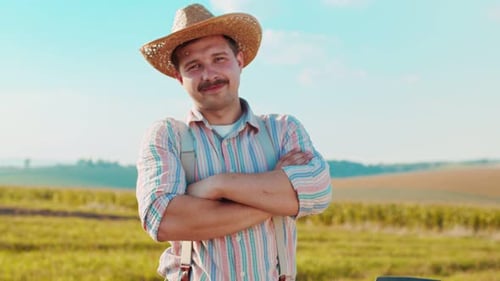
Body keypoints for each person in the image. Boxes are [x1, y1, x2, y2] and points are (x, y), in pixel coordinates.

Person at [136, 3, 332, 281]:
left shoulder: (283, 129)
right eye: (194, 66)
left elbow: (317, 194)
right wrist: (280, 197)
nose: (209, 74)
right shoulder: (167, 135)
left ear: (239, 60)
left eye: (219, 59)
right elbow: (164, 221)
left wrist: (218, 185)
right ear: (179, 77)